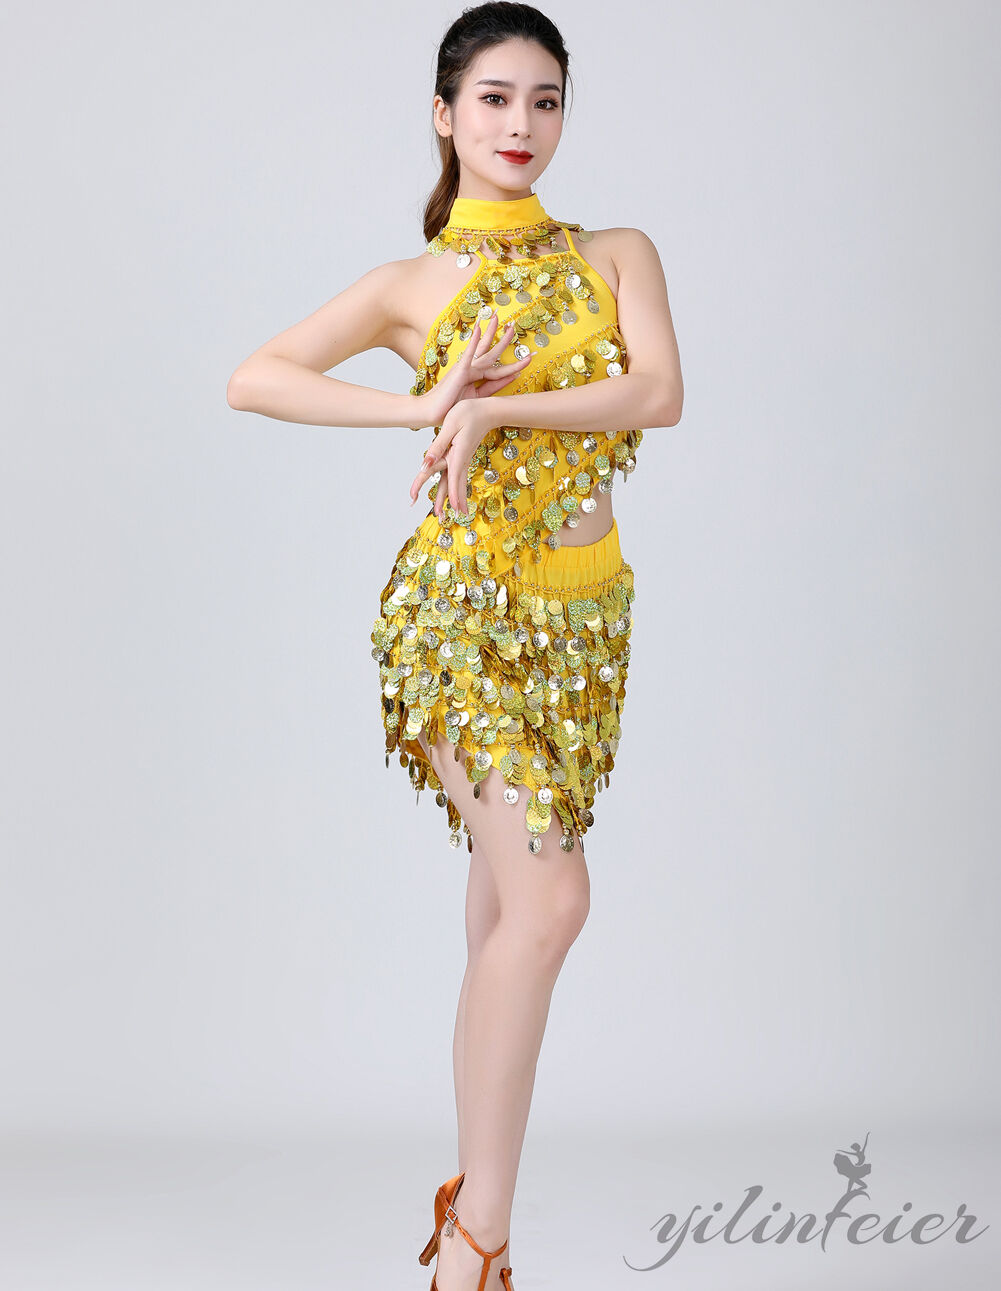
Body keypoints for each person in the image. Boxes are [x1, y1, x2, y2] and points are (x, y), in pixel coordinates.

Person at [227, 3, 683, 1287]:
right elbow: (254, 376)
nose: (519, 123)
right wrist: (423, 407)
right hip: (459, 618)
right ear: (444, 115)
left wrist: (494, 418)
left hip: (585, 624)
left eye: (544, 99)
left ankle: (470, 1231)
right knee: (551, 900)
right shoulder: (407, 286)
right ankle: (477, 1243)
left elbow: (657, 391)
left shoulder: (614, 253)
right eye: (492, 98)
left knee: (502, 918)